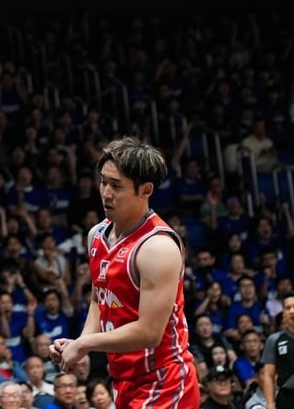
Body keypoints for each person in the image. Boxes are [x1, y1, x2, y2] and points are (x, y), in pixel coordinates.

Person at [51, 136, 199, 408]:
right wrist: (80, 344)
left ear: (145, 190)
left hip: (164, 382)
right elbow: (100, 299)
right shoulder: (96, 235)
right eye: (103, 182)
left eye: (116, 186)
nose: (106, 193)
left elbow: (149, 332)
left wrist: (86, 345)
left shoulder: (158, 247)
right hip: (122, 381)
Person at [260, 291, 294, 409]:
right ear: (283, 312)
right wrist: (270, 404)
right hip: (287, 398)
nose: (291, 311)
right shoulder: (274, 340)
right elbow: (268, 375)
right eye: (287, 308)